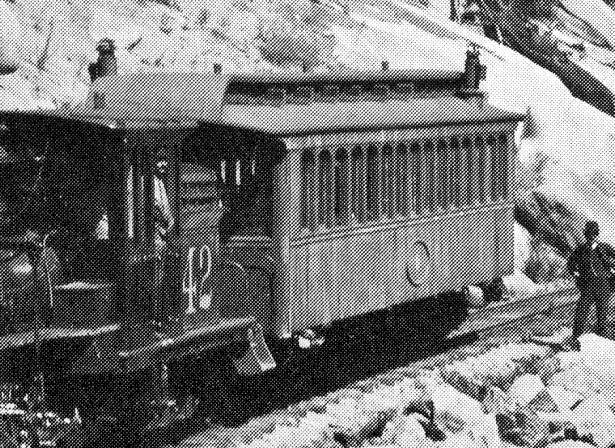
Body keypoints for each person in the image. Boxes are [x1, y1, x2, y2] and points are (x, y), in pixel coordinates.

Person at [567, 220, 615, 348]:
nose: (591, 237)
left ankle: (601, 345)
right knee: (581, 314)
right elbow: (570, 263)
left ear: (597, 235)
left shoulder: (605, 248)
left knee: (602, 317)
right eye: (588, 234)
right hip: (587, 287)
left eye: (593, 234)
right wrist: (575, 273)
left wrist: (613, 269)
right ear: (585, 235)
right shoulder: (581, 249)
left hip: (603, 287)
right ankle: (575, 341)